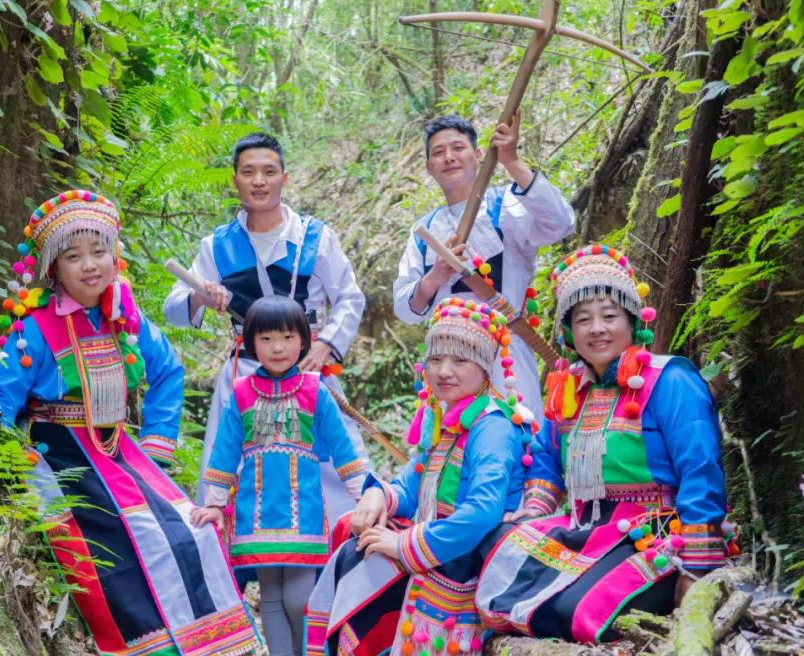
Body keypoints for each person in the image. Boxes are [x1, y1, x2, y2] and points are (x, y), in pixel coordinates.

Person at [0, 190, 259, 656]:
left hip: (120, 451)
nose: (90, 265)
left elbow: (168, 370)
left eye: (100, 252)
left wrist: (155, 444)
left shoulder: (125, 318)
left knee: (191, 528)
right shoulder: (33, 329)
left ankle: (216, 643)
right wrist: (16, 464)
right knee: (126, 543)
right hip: (60, 454)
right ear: (53, 268)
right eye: (74, 257)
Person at [476, 244, 733, 644]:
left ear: (632, 322)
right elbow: (545, 462)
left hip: (656, 532)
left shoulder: (670, 380)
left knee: (570, 611)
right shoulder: (566, 391)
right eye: (583, 319)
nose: (597, 328)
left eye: (609, 316)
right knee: (497, 551)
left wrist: (695, 570)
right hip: (586, 527)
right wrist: (531, 513)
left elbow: (699, 470)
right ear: (568, 332)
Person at [304, 297, 533, 656]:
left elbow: (483, 512)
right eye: (436, 359)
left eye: (459, 360)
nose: (444, 371)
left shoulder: (493, 426)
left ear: (486, 369)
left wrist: (404, 545)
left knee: (371, 558)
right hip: (440, 541)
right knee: (356, 543)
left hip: (469, 556)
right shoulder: (446, 418)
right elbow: (411, 486)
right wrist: (378, 495)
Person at [163, 132, 368, 520]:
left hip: (308, 369)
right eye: (249, 172)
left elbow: (350, 297)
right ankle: (233, 566)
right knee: (230, 466)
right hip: (244, 374)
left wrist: (326, 345)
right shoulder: (216, 246)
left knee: (335, 463)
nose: (259, 181)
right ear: (235, 179)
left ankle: (342, 554)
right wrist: (199, 297)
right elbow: (174, 306)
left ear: (284, 178)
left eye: (268, 171)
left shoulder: (315, 237)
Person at [191, 296, 367, 656]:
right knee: (270, 597)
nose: (277, 348)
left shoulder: (316, 391)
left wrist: (365, 495)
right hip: (255, 513)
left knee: (300, 597)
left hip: (304, 512)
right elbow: (224, 453)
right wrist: (213, 504)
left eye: (287, 338)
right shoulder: (240, 393)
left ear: (304, 340)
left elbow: (343, 448)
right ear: (250, 343)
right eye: (267, 339)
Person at [392, 114, 575, 418]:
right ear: (428, 167)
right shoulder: (423, 230)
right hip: (447, 360)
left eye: (458, 148)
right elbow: (404, 307)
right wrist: (435, 276)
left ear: (478, 155)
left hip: (505, 352)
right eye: (438, 152)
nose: (448, 157)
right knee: (450, 450)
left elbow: (560, 224)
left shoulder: (505, 204)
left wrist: (512, 162)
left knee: (516, 434)